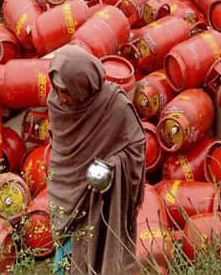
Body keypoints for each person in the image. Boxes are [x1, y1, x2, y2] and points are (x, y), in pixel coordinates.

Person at [47, 45, 145, 274]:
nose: (62, 97)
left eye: (67, 91)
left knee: (95, 246)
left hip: (100, 195)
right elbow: (63, 151)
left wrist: (112, 166)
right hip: (65, 187)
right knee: (66, 252)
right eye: (58, 89)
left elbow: (136, 144)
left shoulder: (114, 105)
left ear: (83, 85)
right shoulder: (57, 104)